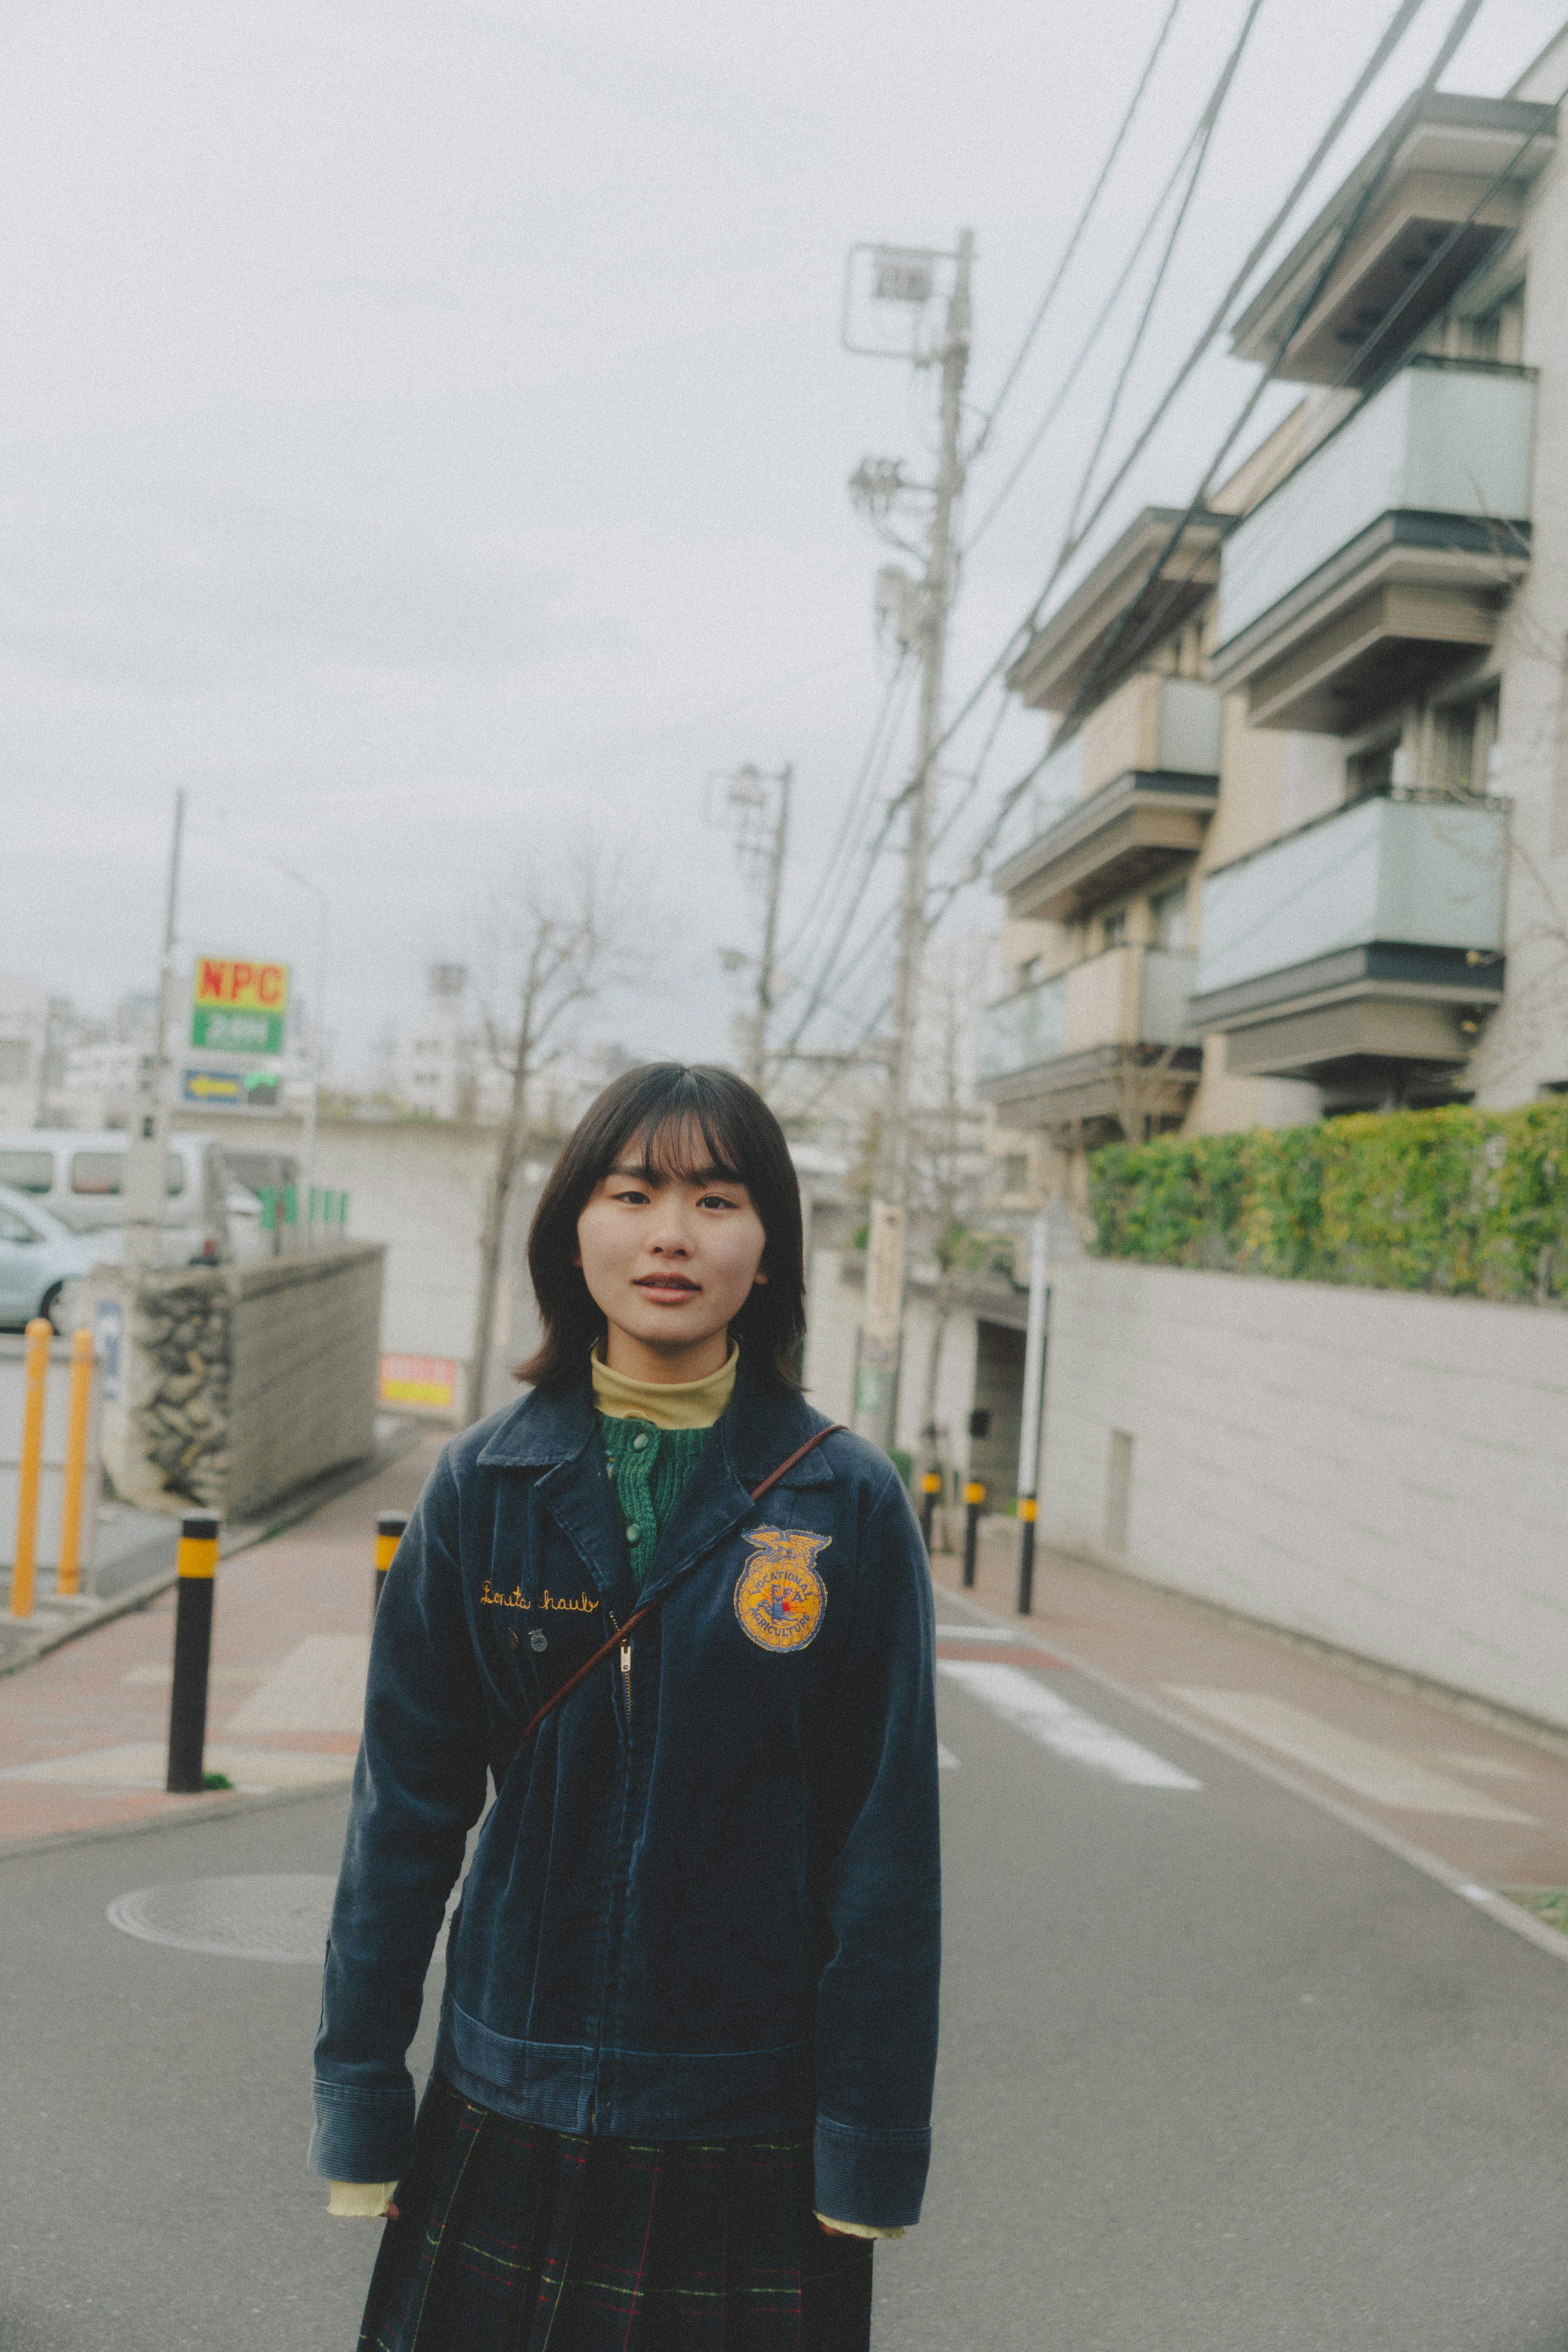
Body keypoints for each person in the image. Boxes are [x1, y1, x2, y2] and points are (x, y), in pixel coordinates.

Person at [311, 1061, 940, 2350]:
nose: (671, 1233)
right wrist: (364, 2095)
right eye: (633, 1192)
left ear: (767, 1252)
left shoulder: (844, 1504)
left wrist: (867, 2143)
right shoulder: (482, 1486)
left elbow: (885, 1856)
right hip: (506, 2092)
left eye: (716, 1199)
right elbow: (403, 1823)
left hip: (746, 2117)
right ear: (573, 1232)